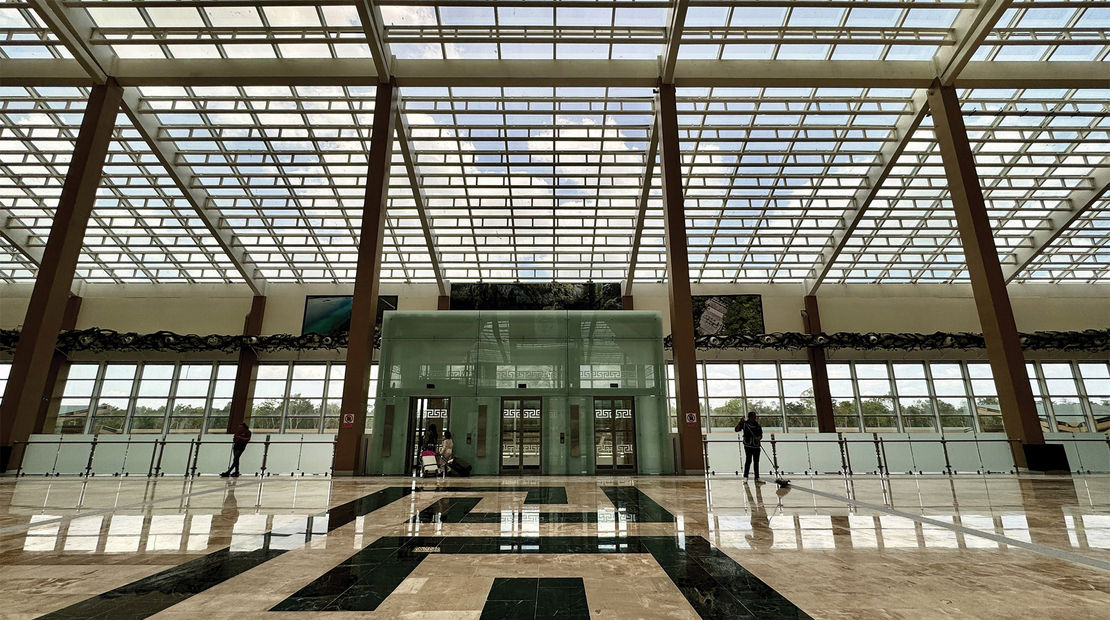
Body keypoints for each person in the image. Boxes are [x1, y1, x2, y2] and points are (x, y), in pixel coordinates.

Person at [735, 411, 763, 481]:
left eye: (755, 417)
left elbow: (760, 435)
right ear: (749, 417)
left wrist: (758, 438)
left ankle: (757, 477)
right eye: (753, 417)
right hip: (748, 446)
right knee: (748, 461)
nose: (754, 418)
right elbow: (736, 429)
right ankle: (745, 476)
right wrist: (740, 422)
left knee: (756, 462)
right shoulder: (745, 424)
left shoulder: (757, 425)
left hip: (756, 446)